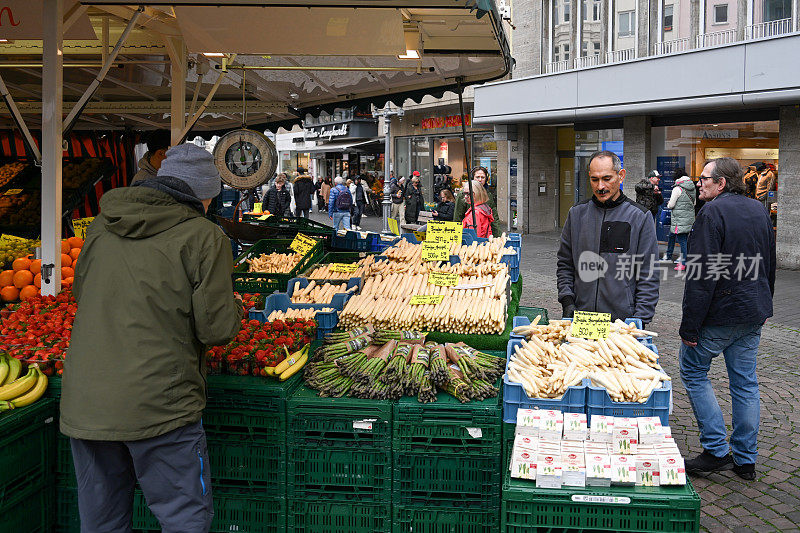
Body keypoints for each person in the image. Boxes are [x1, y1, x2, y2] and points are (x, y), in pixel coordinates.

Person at [60, 144, 243, 532]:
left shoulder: (101, 226)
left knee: (102, 523)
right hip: (161, 404)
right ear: (204, 194)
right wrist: (236, 307)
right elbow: (217, 329)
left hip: (87, 401)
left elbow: (81, 293)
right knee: (183, 517)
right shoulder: (204, 236)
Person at [679, 157, 775, 481]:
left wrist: (689, 327)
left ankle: (716, 450)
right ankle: (745, 460)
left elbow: (701, 276)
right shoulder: (759, 210)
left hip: (719, 315)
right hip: (752, 312)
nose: (699, 182)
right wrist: (766, 302)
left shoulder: (712, 213)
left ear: (721, 183)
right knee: (745, 382)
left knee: (692, 369)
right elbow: (769, 263)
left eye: (705, 178)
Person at [556, 150, 660, 323]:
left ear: (621, 176)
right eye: (594, 179)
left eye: (607, 178)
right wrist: (567, 301)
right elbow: (565, 264)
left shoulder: (640, 217)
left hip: (622, 322)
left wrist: (640, 319)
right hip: (583, 318)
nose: (600, 187)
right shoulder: (576, 214)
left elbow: (648, 273)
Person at [454, 167, 500, 237]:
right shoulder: (463, 194)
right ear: (472, 178)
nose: (480, 180)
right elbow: (458, 217)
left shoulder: (488, 194)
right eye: (477, 177)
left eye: (483, 177)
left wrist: (498, 236)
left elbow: (494, 218)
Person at [665, 172, 696, 271]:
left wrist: (669, 203)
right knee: (686, 242)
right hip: (689, 218)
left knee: (682, 242)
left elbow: (671, 205)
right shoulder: (692, 188)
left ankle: (684, 263)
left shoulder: (677, 188)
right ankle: (685, 261)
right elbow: (694, 203)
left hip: (679, 219)